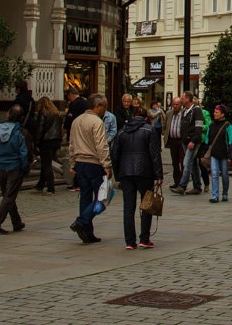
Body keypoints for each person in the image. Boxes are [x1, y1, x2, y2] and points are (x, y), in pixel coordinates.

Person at [111, 104, 163, 249]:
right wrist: (158, 174)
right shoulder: (149, 130)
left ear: (132, 117)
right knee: (146, 205)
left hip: (126, 172)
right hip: (144, 171)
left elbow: (114, 154)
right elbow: (155, 154)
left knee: (128, 207)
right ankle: (144, 238)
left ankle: (129, 241)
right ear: (146, 118)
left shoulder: (122, 132)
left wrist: (118, 175)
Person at [68, 93, 113, 244]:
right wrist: (107, 165)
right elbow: (102, 145)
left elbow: (71, 144)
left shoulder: (76, 121)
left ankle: (87, 232)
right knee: (102, 197)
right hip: (94, 163)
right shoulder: (97, 122)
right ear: (96, 106)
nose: (105, 110)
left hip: (80, 162)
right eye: (104, 107)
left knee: (85, 197)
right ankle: (81, 222)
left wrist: (73, 162)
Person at [0, 105, 31, 234]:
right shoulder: (20, 132)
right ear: (21, 118)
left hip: (0, 166)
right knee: (9, 197)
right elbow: (23, 153)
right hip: (15, 167)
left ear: (7, 115)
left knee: (8, 195)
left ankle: (17, 222)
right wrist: (25, 168)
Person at [171, 91, 205, 195]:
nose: (181, 100)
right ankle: (197, 186)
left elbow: (199, 127)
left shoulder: (196, 110)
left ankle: (182, 186)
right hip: (185, 141)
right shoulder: (185, 110)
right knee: (193, 163)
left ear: (188, 99)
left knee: (186, 163)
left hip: (192, 142)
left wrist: (193, 141)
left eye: (183, 98)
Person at [33, 95, 63, 194]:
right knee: (46, 163)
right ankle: (40, 184)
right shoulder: (57, 114)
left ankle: (51, 187)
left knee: (46, 165)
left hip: (46, 141)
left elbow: (40, 129)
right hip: (56, 141)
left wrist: (37, 143)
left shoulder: (43, 113)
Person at [206, 104, 232, 203]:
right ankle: (215, 195)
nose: (214, 114)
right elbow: (207, 140)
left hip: (224, 154)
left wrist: (230, 154)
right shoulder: (211, 125)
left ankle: (225, 193)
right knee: (214, 174)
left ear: (222, 114)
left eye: (216, 112)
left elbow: (231, 140)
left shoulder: (228, 126)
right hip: (214, 154)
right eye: (214, 112)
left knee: (225, 175)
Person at [163, 95, 184, 186]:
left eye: (177, 104)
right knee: (174, 162)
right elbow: (164, 125)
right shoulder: (169, 113)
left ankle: (183, 182)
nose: (175, 106)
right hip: (172, 140)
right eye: (173, 104)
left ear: (181, 105)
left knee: (183, 162)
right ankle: (176, 181)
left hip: (181, 141)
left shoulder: (184, 113)